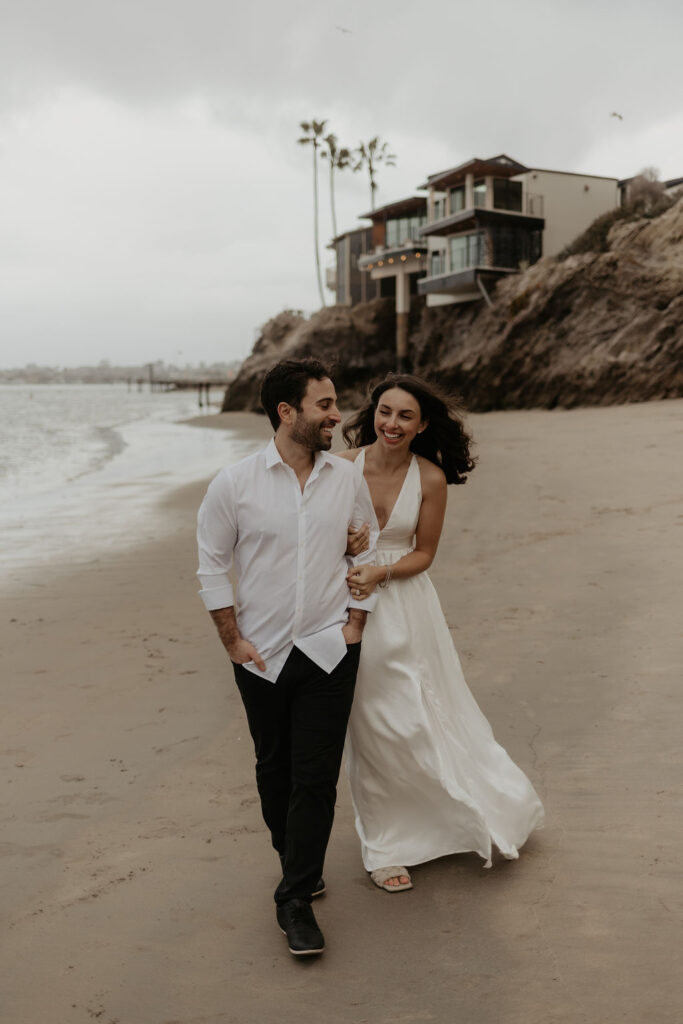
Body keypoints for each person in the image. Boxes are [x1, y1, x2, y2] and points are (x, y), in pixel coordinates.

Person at [196, 358, 379, 956]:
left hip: (330, 648)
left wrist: (356, 621)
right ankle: (297, 858)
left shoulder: (346, 477)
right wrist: (232, 642)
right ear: (287, 412)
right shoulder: (234, 484)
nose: (337, 414)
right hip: (261, 654)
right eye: (324, 405)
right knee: (273, 767)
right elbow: (213, 566)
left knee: (316, 778)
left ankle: (294, 898)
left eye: (335, 403)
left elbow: (366, 546)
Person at [338, 373, 544, 892]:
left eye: (405, 416)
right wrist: (349, 552)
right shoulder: (342, 467)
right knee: (373, 725)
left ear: (422, 424)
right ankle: (386, 844)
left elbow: (424, 554)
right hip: (346, 603)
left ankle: (452, 813)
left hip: (405, 607)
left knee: (421, 714)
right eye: (385, 411)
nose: (392, 423)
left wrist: (381, 572)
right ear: (373, 412)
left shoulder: (429, 477)